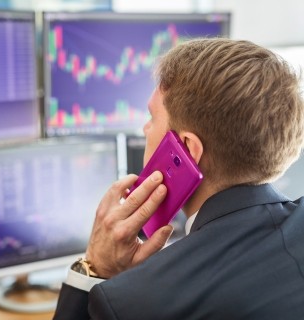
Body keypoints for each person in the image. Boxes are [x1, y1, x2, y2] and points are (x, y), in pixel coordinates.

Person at [53, 38, 304, 319]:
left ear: (186, 149)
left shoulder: (131, 303)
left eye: (152, 117)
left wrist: (96, 267)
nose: (145, 128)